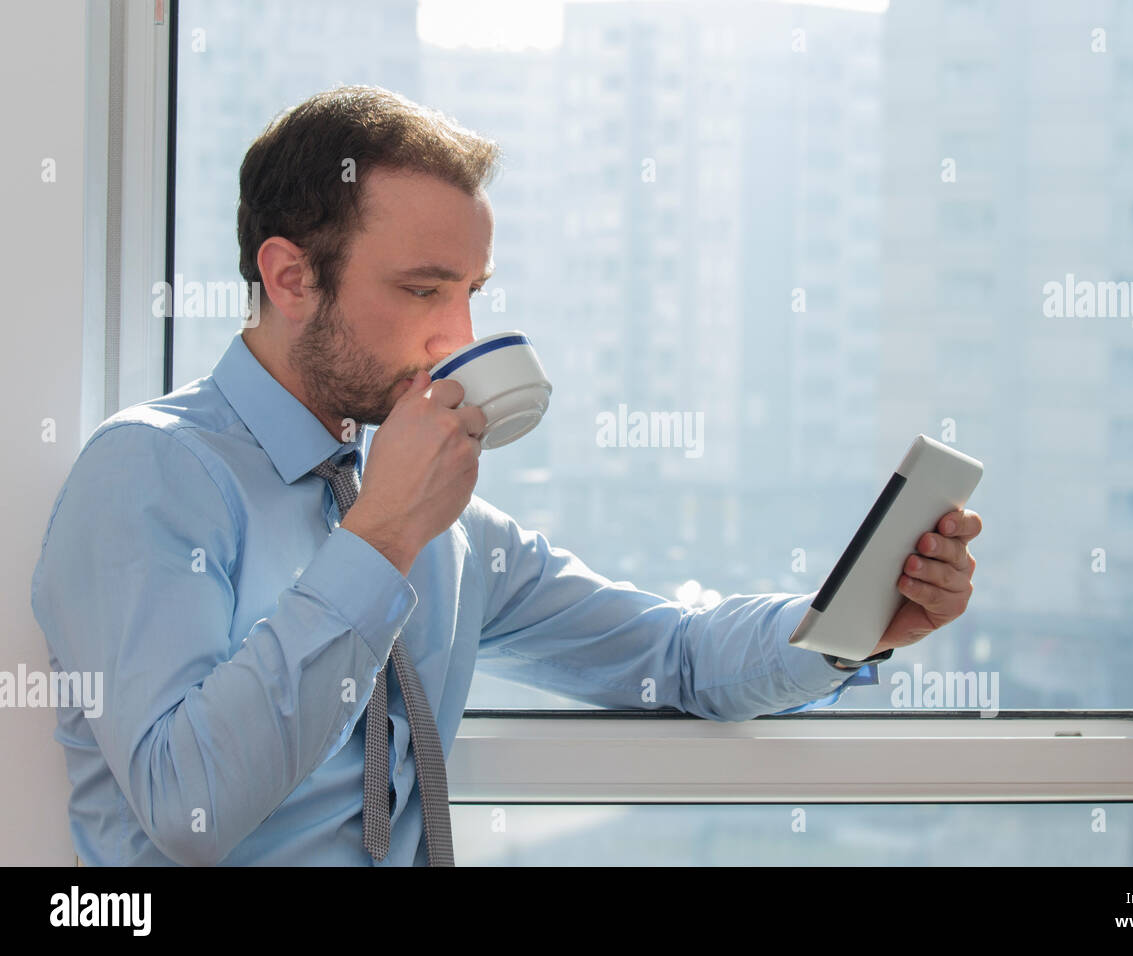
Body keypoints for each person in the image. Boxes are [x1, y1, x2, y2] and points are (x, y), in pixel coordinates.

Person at [30, 85, 981, 866]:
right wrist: (381, 540)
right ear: (289, 278)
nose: (461, 340)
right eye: (422, 289)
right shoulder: (152, 472)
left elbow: (673, 656)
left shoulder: (438, 519)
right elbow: (187, 807)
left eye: (472, 294)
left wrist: (852, 625)